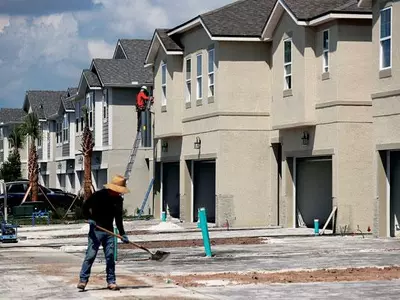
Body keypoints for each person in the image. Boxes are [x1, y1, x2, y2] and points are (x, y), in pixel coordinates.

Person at [77, 175, 130, 291]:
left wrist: (122, 234)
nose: (120, 193)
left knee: (110, 257)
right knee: (90, 255)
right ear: (113, 189)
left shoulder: (118, 200)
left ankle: (111, 281)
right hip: (96, 230)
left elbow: (118, 218)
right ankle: (83, 280)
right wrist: (89, 218)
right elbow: (85, 207)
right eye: (119, 191)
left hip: (109, 232)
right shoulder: (99, 195)